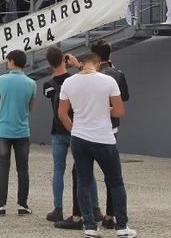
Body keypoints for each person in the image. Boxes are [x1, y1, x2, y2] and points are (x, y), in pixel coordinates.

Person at [58, 54, 136, 237]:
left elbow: (62, 114)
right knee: (115, 182)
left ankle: (90, 226)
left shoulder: (68, 83)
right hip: (103, 138)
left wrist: (74, 129)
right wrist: (105, 110)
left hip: (79, 138)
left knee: (83, 182)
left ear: (82, 64)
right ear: (98, 64)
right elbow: (119, 111)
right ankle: (121, 227)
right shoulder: (108, 81)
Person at [43, 47, 100, 226]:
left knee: (58, 170)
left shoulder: (48, 85)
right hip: (77, 128)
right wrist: (76, 65)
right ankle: (95, 207)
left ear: (49, 63)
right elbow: (89, 76)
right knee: (86, 170)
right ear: (64, 60)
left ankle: (58, 208)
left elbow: (51, 97)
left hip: (57, 130)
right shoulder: (75, 80)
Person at [0, 50, 36, 217]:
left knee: (3, 169)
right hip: (22, 130)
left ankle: (0, 205)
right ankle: (22, 205)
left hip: (3, 129)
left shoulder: (2, 80)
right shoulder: (31, 83)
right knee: (23, 169)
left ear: (12, 61)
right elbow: (30, 107)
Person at [91, 40, 131, 229]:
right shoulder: (118, 74)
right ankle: (110, 215)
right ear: (110, 54)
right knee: (112, 175)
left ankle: (84, 214)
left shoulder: (91, 75)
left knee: (81, 175)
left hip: (90, 129)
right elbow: (125, 97)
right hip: (111, 129)